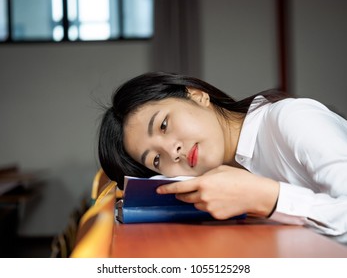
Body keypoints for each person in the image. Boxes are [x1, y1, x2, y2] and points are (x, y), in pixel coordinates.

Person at [98, 71, 347, 243]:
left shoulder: (291, 118)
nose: (172, 151)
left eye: (164, 125)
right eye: (155, 159)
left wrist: (268, 198)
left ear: (197, 95)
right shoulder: (228, 176)